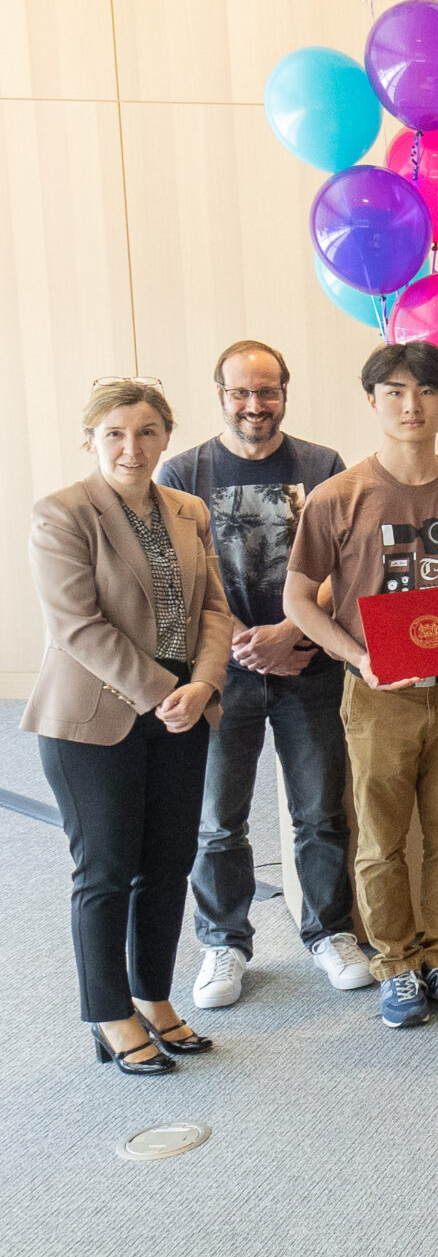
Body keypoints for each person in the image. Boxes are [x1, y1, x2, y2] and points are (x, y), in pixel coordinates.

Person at [285, 342, 438, 1027]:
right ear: (372, 401)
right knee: (381, 839)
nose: (410, 405)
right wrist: (358, 657)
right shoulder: (339, 496)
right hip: (379, 694)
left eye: (425, 391)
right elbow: (299, 599)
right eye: (393, 391)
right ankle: (394, 962)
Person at [28, 378, 234, 1074]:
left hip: (181, 709)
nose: (131, 446)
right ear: (90, 440)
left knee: (169, 864)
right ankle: (109, 1014)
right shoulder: (61, 513)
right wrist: (159, 690)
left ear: (165, 439)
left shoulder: (188, 508)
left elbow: (213, 608)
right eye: (114, 432)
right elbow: (78, 626)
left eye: (146, 431)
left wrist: (201, 682)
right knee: (106, 870)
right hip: (94, 719)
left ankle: (153, 995)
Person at [156, 342, 367, 1009]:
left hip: (307, 661)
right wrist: (231, 650)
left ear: (285, 390)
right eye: (241, 392)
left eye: (267, 391)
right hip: (221, 671)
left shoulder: (322, 465)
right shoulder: (182, 470)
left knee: (321, 812)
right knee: (219, 819)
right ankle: (224, 942)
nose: (255, 405)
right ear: (219, 394)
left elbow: (346, 567)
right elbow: (173, 582)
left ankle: (330, 932)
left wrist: (292, 631)